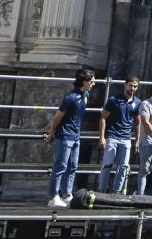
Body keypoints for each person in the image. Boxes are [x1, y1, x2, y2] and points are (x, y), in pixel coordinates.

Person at [44, 67, 95, 207]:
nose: (94, 84)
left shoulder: (85, 95)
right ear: (84, 82)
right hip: (65, 135)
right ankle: (53, 196)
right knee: (60, 165)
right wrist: (51, 132)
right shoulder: (71, 98)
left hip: (75, 135)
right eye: (91, 81)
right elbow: (57, 117)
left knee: (73, 166)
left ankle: (66, 194)